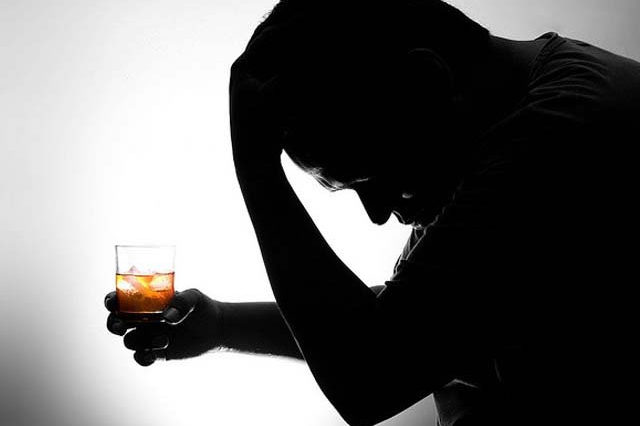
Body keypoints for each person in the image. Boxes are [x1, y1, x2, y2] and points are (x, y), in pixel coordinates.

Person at [106, 1, 640, 424]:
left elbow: (371, 374)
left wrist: (257, 172)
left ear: (425, 83)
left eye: (369, 179)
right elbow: (422, 321)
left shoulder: (558, 142)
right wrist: (223, 323)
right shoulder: (520, 121)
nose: (380, 214)